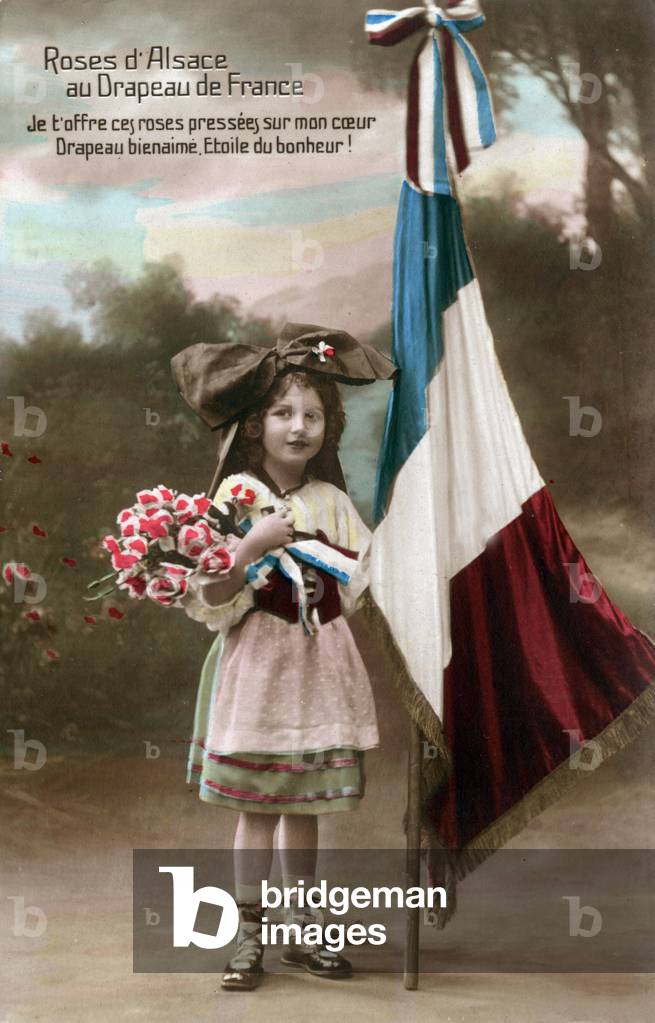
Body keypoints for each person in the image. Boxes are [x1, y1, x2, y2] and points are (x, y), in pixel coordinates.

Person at [171, 324, 395, 990]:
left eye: (312, 415)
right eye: (282, 413)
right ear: (254, 424)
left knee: (303, 807)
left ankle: (301, 929)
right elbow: (211, 594)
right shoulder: (234, 497)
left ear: (328, 426)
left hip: (318, 670)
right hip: (259, 670)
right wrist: (250, 545)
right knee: (259, 806)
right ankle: (248, 935)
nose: (298, 427)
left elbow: (364, 578)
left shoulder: (330, 501)